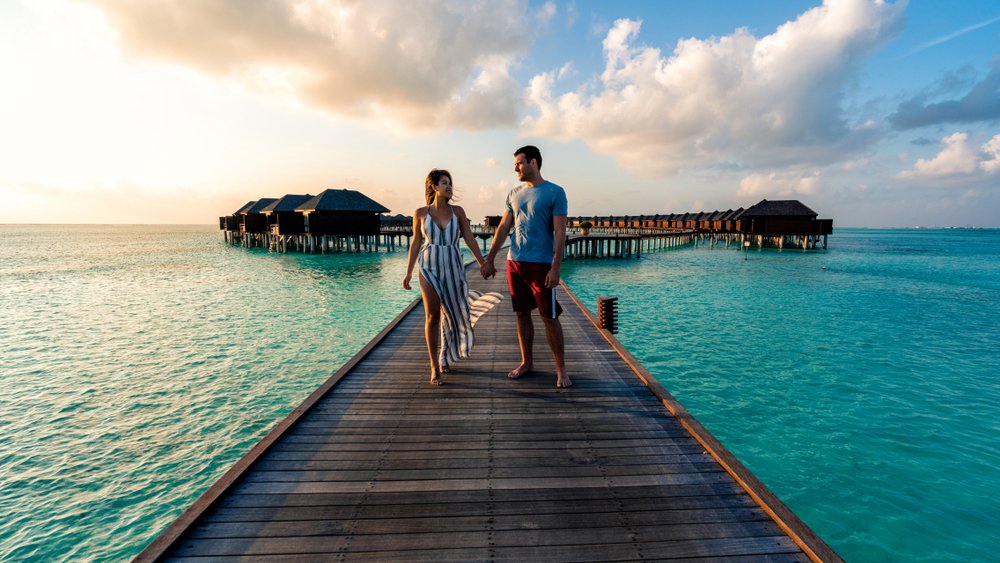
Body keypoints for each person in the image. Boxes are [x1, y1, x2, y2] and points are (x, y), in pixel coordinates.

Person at [481, 145, 571, 388]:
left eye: (519, 163)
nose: (515, 168)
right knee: (521, 313)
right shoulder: (514, 193)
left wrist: (556, 267)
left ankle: (561, 370)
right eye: (515, 164)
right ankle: (526, 362)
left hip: (541, 265)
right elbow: (503, 227)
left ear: (533, 162)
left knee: (549, 316)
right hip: (515, 261)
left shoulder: (555, 192)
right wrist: (489, 259)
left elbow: (560, 231)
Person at [404, 169, 502, 385]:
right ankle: (433, 365)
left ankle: (445, 356)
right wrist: (409, 272)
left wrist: (482, 263)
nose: (449, 187)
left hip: (453, 267)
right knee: (432, 316)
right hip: (428, 267)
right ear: (434, 187)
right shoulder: (420, 213)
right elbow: (415, 243)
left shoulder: (458, 212)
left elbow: (469, 238)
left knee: (451, 313)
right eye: (445, 183)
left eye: (450, 183)